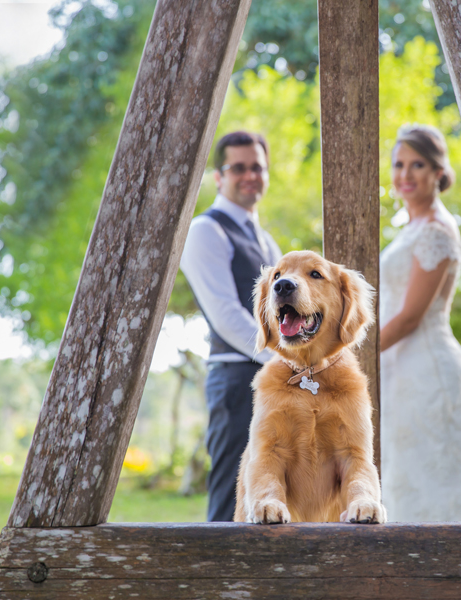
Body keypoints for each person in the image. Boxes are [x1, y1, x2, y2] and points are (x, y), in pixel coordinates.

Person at [379, 125, 461, 522]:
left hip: (427, 365)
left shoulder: (436, 230)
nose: (405, 174)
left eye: (417, 164)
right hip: (399, 367)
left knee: (441, 471)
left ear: (438, 171)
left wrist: (349, 352)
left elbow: (408, 319)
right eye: (399, 164)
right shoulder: (412, 226)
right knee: (407, 470)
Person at [180, 131, 282, 521]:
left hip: (272, 378)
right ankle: (213, 581)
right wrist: (286, 361)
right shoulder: (206, 230)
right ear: (218, 177)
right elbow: (225, 315)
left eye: (257, 167)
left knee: (272, 490)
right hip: (236, 379)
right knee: (230, 496)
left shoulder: (267, 241)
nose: (249, 175)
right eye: (238, 167)